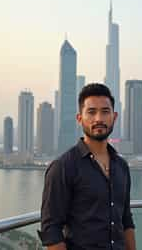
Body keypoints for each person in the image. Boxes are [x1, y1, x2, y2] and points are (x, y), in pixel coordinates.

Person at [38, 83, 136, 250]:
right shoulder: (63, 167)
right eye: (91, 112)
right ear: (80, 118)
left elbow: (125, 219)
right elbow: (51, 230)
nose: (98, 118)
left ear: (114, 117)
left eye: (105, 112)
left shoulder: (121, 166)